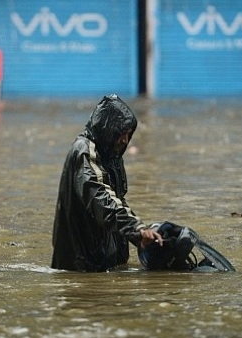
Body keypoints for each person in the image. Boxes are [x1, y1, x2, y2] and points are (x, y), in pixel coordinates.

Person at [51, 94, 163, 272]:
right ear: (109, 129)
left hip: (106, 263)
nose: (126, 140)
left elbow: (119, 200)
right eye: (122, 134)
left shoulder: (112, 156)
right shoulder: (84, 152)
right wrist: (136, 228)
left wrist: (139, 236)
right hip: (82, 266)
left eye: (129, 135)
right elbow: (101, 198)